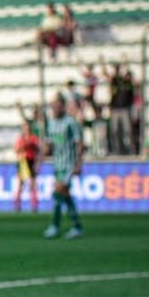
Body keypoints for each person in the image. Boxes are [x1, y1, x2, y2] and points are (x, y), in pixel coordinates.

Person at [41, 94, 84, 239]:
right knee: (64, 194)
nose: (55, 108)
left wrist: (78, 163)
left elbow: (79, 143)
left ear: (63, 106)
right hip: (57, 164)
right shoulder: (51, 124)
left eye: (58, 105)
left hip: (69, 163)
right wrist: (39, 159)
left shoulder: (70, 123)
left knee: (58, 191)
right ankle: (77, 226)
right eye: (53, 106)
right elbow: (48, 145)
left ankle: (55, 226)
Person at [13, 103, 42, 213]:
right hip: (23, 162)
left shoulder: (34, 138)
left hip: (31, 161)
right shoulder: (21, 139)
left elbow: (38, 150)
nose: (27, 129)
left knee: (32, 185)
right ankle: (17, 205)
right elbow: (16, 150)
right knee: (20, 184)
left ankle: (34, 205)